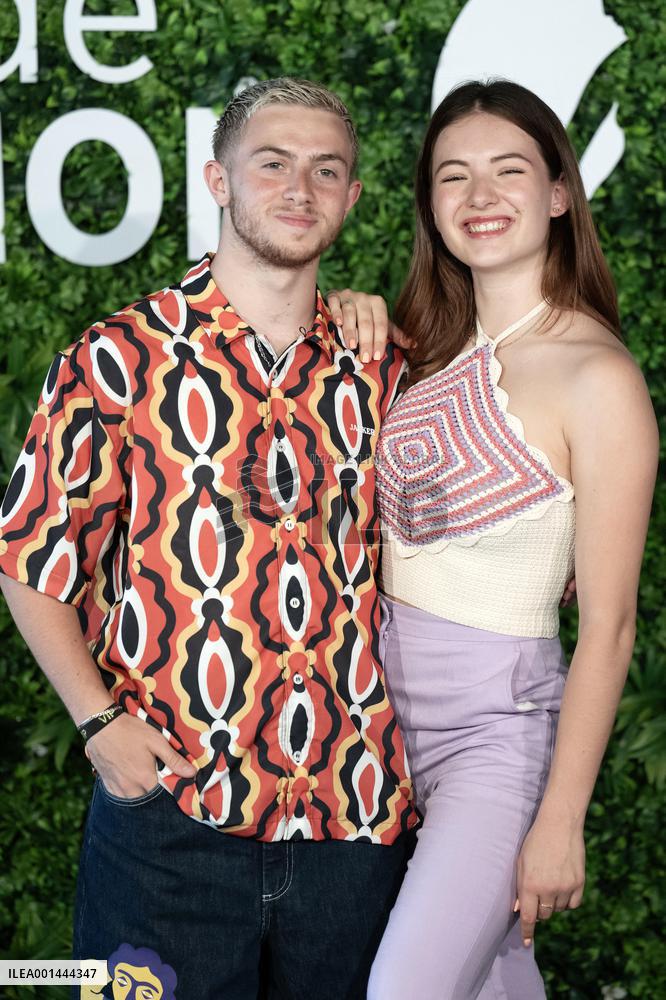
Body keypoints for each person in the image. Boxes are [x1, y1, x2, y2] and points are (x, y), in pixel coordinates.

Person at [0, 78, 417, 999]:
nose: (299, 188)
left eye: (326, 170)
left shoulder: (384, 365)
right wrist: (99, 725)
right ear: (218, 180)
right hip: (171, 823)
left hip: (355, 821)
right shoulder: (118, 357)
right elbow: (31, 559)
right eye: (272, 163)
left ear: (352, 198)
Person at [328, 79, 658, 999]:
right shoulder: (420, 348)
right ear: (429, 204)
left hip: (496, 737)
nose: (480, 196)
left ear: (557, 192)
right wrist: (350, 308)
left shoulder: (597, 376)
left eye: (508, 171)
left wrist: (562, 819)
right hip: (372, 724)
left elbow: (610, 627)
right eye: (453, 176)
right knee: (486, 983)